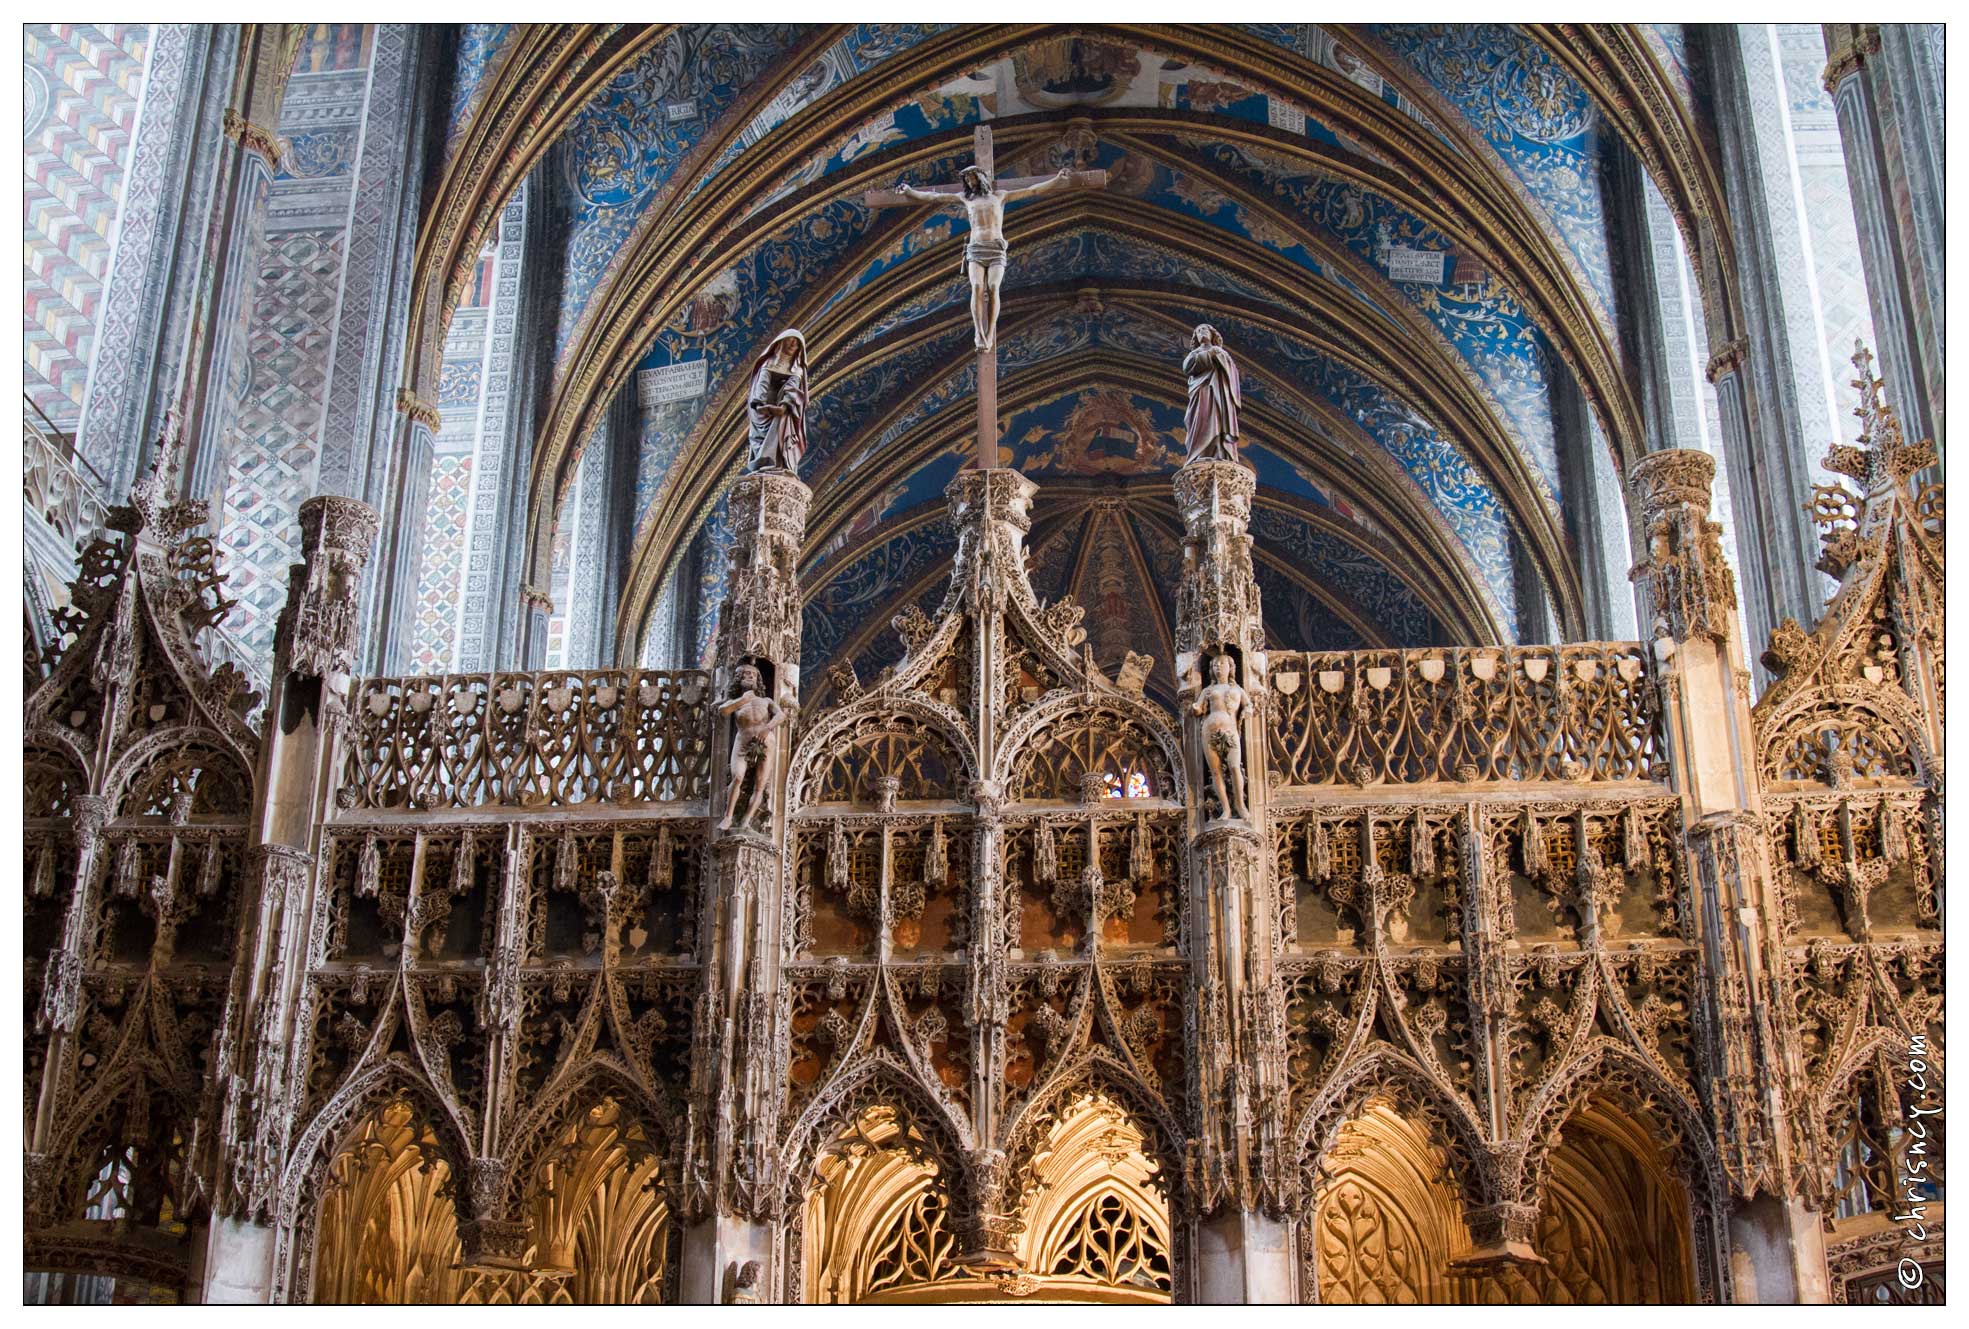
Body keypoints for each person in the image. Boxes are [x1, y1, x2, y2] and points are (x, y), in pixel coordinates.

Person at [892, 165, 1075, 350]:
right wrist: (910, 191)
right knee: (977, 287)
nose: (970, 183)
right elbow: (934, 197)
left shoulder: (1000, 196)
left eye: (972, 179)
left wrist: (1058, 179)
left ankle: (990, 333)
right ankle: (979, 334)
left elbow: (1032, 190)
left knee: (993, 287)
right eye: (967, 181)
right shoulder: (965, 198)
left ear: (981, 178)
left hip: (996, 248)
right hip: (976, 249)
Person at [718, 663, 786, 831]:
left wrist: (767, 728)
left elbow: (781, 715)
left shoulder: (766, 701)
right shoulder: (736, 702)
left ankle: (746, 820)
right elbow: (723, 710)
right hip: (742, 741)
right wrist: (743, 699)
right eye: (746, 674)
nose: (750, 677)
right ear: (738, 679)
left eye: (753, 675)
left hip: (766, 741)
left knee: (760, 784)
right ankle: (728, 817)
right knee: (738, 777)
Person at [1192, 652, 1250, 821]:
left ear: (1230, 668)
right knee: (1216, 772)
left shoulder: (1236, 689)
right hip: (1209, 732)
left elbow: (1250, 705)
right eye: (1215, 665)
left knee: (1234, 766)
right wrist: (1196, 708)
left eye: (1222, 664)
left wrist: (1246, 711)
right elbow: (1199, 707)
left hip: (1230, 731)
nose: (1218, 668)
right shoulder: (1208, 690)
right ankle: (1226, 809)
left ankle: (1240, 805)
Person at [743, 329, 808, 474]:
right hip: (763, 407)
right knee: (767, 428)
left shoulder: (797, 369)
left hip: (782, 407)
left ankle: (777, 463)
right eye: (790, 340)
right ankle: (763, 462)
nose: (792, 345)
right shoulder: (768, 363)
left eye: (796, 344)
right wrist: (759, 405)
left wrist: (784, 406)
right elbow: (762, 385)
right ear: (781, 342)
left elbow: (792, 389)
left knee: (784, 420)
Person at [1182, 324, 1242, 464]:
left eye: (1204, 330)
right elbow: (1188, 367)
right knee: (1200, 419)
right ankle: (1199, 453)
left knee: (1217, 420)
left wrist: (1217, 354)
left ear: (1212, 334)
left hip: (1219, 395)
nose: (1201, 332)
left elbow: (1232, 373)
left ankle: (1219, 452)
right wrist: (1210, 354)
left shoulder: (1222, 353)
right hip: (1201, 393)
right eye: (1198, 331)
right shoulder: (1194, 354)